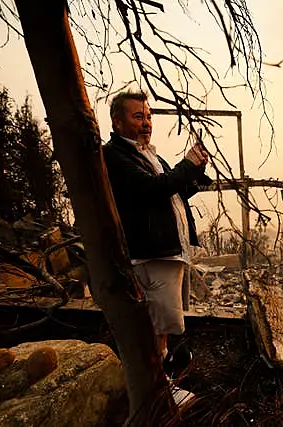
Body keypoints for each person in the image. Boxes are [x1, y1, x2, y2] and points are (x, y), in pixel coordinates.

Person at [103, 89, 211, 380]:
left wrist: (196, 169)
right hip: (151, 254)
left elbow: (178, 190)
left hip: (166, 253)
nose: (147, 123)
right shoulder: (113, 156)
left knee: (162, 326)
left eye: (148, 116)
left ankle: (158, 382)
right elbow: (151, 190)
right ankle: (156, 386)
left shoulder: (150, 156)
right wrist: (186, 166)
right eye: (138, 116)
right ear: (117, 122)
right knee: (157, 327)